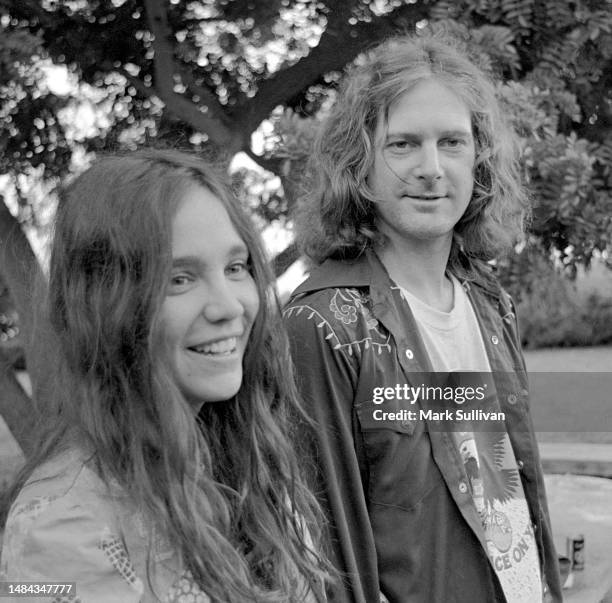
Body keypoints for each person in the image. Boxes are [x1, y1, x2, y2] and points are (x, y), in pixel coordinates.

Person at [283, 34, 562, 602]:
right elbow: (319, 550)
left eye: (452, 142)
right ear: (358, 163)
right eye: (404, 144)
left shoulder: (490, 305)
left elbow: (509, 495)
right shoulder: (324, 325)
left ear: (478, 160)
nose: (431, 169)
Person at [1, 149, 331, 602]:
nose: (229, 306)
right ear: (106, 306)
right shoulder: (60, 528)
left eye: (235, 268)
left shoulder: (244, 465)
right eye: (179, 278)